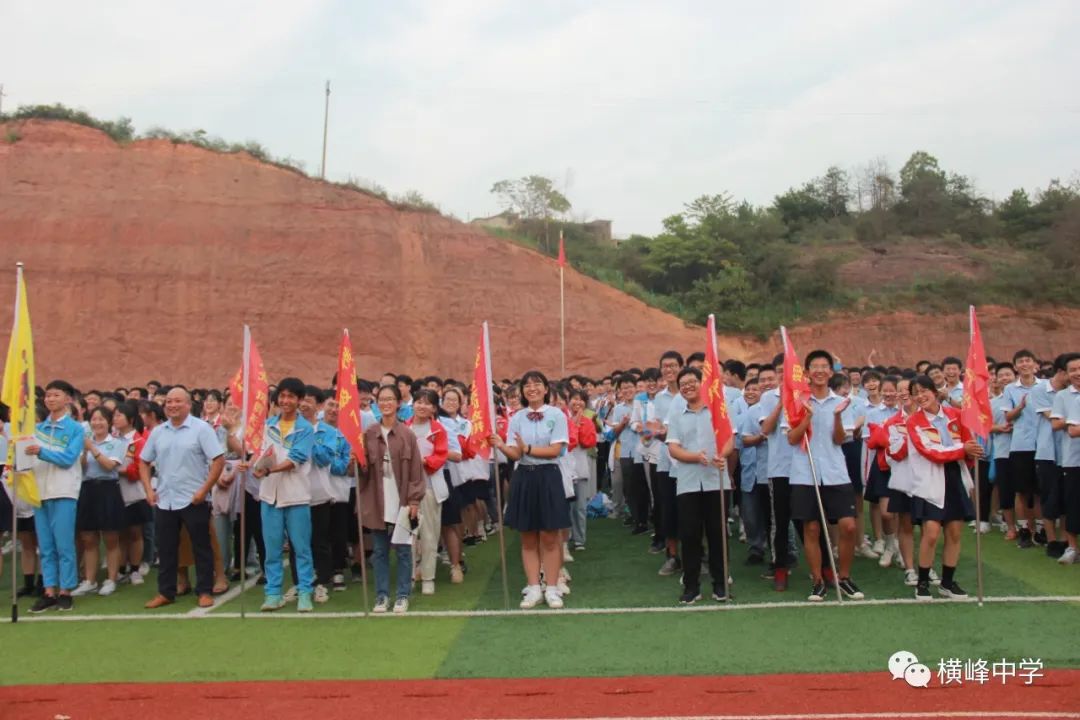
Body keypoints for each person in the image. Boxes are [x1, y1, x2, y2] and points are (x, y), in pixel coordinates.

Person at [784, 350, 864, 602]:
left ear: (831, 371)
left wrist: (837, 416)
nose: (819, 371)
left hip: (835, 471)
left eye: (824, 366)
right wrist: (807, 417)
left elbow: (840, 440)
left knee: (848, 526)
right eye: (814, 367)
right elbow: (792, 438)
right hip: (804, 473)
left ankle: (844, 577)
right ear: (807, 373)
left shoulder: (841, 402)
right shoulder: (797, 401)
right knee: (811, 528)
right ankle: (818, 581)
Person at [489, 370, 571, 610]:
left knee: (549, 536)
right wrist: (501, 445)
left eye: (537, 384)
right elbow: (516, 454)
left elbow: (555, 450)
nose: (532, 388)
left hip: (548, 476)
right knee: (527, 536)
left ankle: (552, 587)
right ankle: (534, 587)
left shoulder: (556, 415)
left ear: (546, 389)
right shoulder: (517, 417)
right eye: (527, 385)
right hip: (524, 476)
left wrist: (528, 449)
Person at [139, 387, 225, 610]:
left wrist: (204, 490)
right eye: (169, 402)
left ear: (188, 404)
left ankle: (204, 590)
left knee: (201, 546)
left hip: (194, 498)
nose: (172, 405)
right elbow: (144, 461)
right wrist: (148, 489)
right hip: (165, 499)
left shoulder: (201, 429)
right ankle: (165, 591)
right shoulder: (158, 432)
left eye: (177, 401)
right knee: (166, 548)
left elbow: (218, 460)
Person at [902, 375, 982, 600]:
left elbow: (968, 443)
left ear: (934, 392)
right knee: (931, 532)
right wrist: (963, 449)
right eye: (915, 393)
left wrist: (972, 451)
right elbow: (931, 452)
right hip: (929, 479)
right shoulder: (914, 422)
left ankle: (947, 582)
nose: (920, 396)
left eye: (924, 391)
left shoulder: (956, 415)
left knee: (954, 531)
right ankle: (923, 582)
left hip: (954, 477)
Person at [243, 378, 316, 613]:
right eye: (282, 396)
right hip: (269, 497)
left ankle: (305, 592)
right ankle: (273, 593)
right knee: (272, 549)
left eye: (291, 396)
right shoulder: (267, 425)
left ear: (299, 400)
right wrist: (251, 464)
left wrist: (268, 470)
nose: (285, 401)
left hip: (296, 496)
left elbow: (295, 459)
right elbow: (259, 453)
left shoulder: (305, 428)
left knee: (301, 548)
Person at [665, 367, 735, 604]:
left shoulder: (717, 409)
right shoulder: (677, 414)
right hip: (688, 483)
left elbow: (729, 439)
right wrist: (695, 457)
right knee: (690, 535)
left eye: (692, 382)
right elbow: (673, 447)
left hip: (717, 481)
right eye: (683, 384)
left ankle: (720, 584)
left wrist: (722, 455)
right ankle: (691, 586)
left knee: (718, 534)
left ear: (702, 383)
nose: (688, 387)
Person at [359, 384, 426, 614]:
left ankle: (403, 595)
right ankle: (382, 595)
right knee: (379, 551)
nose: (386, 403)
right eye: (382, 399)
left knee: (404, 550)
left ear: (398, 403)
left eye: (390, 399)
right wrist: (355, 460)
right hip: (377, 500)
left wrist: (414, 500)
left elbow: (416, 470)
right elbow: (362, 471)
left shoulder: (407, 434)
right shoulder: (369, 433)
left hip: (402, 500)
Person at [27, 380, 86, 613]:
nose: (51, 399)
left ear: (68, 399)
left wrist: (42, 452)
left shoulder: (75, 429)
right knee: (45, 545)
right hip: (40, 492)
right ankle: (49, 590)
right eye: (48, 395)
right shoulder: (37, 430)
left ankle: (66, 590)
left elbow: (69, 458)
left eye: (56, 395)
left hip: (64, 491)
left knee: (64, 544)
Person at [72, 406, 130, 597]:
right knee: (88, 538)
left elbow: (109, 466)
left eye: (101, 419)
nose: (97, 423)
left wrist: (92, 448)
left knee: (111, 538)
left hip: (108, 490)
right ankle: (90, 580)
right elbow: (80, 468)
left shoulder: (117, 443)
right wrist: (83, 452)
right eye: (94, 419)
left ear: (109, 422)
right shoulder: (84, 443)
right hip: (87, 489)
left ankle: (111, 579)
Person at [407, 389, 450, 596]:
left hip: (430, 487)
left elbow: (441, 456)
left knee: (429, 535)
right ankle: (408, 576)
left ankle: (428, 577)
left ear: (434, 408)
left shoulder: (438, 430)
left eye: (427, 403)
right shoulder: (403, 428)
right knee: (407, 535)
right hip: (406, 490)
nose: (422, 406)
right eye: (418, 402)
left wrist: (423, 461)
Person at [114, 401, 151, 585]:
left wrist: (121, 471)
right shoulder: (113, 439)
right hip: (116, 492)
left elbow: (140, 469)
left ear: (130, 419)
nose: (115, 419)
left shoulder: (137, 441)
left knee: (135, 532)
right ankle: (121, 568)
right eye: (114, 415)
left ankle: (135, 568)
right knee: (120, 533)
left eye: (119, 415)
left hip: (134, 493)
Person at [1052, 353, 1080, 564]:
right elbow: (1070, 430)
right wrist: (1070, 422)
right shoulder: (1065, 397)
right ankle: (1072, 548)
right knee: (1073, 503)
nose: (1077, 373)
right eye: (1073, 370)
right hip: (1073, 459)